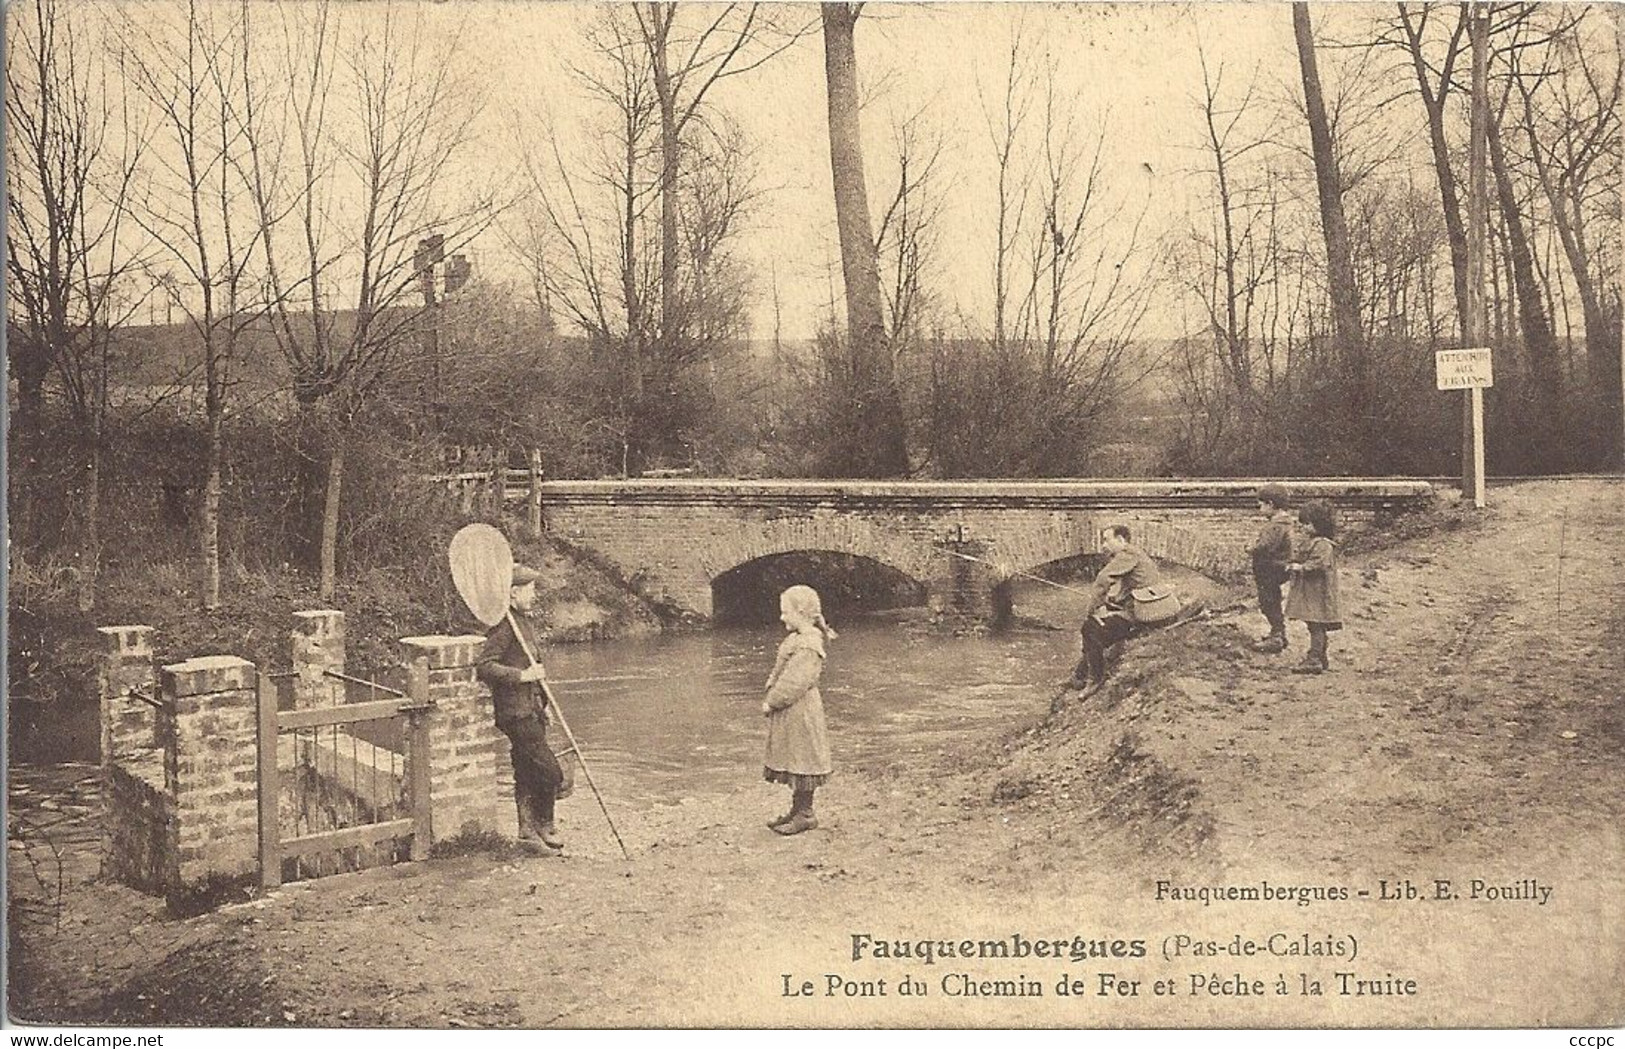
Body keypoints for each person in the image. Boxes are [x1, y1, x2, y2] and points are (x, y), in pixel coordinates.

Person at [476, 564, 566, 855]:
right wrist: (521, 677)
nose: (535, 595)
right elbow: (485, 666)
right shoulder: (504, 626)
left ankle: (528, 833)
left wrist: (544, 705)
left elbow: (534, 665)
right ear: (514, 593)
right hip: (515, 712)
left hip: (532, 709)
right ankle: (543, 823)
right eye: (530, 589)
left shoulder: (523, 621)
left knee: (526, 770)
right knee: (551, 771)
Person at [761, 584, 835, 836]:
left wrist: (772, 701)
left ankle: (806, 814)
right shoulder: (797, 639)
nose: (782, 617)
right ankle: (797, 808)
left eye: (786, 612)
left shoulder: (808, 646)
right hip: (794, 712)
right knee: (795, 757)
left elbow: (795, 681)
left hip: (802, 712)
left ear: (801, 613)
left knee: (803, 759)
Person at [1063, 524, 1163, 698]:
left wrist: (1093, 609)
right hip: (1144, 608)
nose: (1104, 546)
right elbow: (1134, 587)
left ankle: (1095, 679)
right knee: (1094, 626)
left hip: (1142, 615)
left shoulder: (1128, 555)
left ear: (1120, 540)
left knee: (1090, 628)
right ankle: (1079, 676)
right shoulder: (1136, 554)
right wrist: (1112, 602)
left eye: (1106, 540)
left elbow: (1103, 579)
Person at [1284, 500, 1342, 675]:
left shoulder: (1323, 544)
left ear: (1319, 524)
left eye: (1308, 524)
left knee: (1316, 624)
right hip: (1311, 592)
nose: (1304, 527)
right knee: (1314, 624)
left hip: (1318, 593)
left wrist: (1301, 567)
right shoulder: (1312, 542)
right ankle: (1320, 656)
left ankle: (1314, 658)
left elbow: (1320, 564)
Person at [1248, 484, 1296, 654]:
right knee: (1272, 600)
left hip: (1270, 569)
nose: (1260, 508)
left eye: (1261, 504)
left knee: (1268, 602)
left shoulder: (1275, 525)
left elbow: (1266, 547)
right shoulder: (1283, 523)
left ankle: (1277, 636)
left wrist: (1251, 548)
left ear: (1270, 504)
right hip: (1276, 568)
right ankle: (1279, 634)